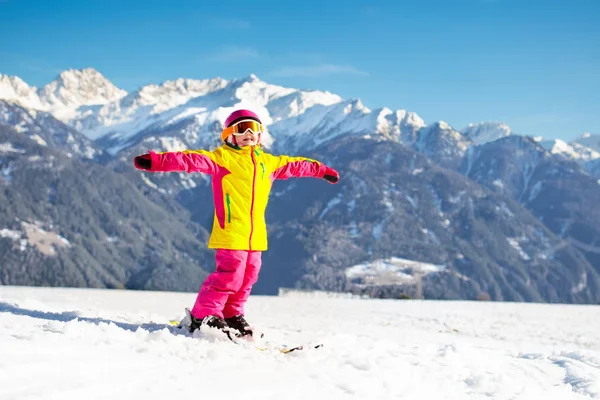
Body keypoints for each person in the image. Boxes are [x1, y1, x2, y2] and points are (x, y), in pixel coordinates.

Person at [133, 109, 339, 338]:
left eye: (254, 128)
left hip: (255, 234)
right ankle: (204, 315)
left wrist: (322, 170)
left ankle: (231, 314)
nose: (249, 132)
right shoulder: (223, 159)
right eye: (242, 128)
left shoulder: (268, 163)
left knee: (249, 275)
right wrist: (156, 161)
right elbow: (189, 160)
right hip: (230, 229)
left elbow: (297, 165)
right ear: (230, 135)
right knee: (230, 273)